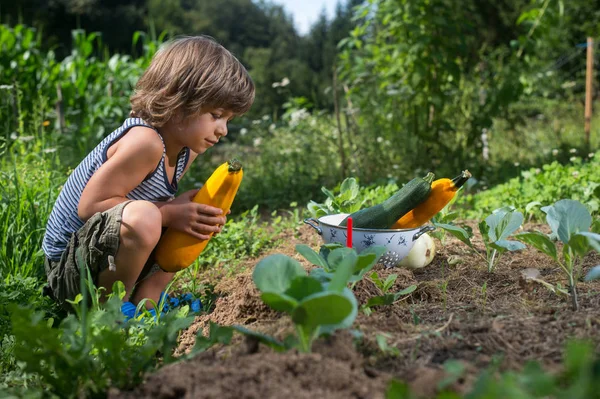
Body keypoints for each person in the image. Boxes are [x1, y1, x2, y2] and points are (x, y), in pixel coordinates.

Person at [42, 35, 255, 312]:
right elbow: (89, 207)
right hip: (70, 271)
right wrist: (167, 213)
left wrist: (185, 214)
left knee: (196, 211)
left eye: (228, 119)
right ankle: (110, 316)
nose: (223, 129)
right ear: (178, 101)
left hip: (105, 258)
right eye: (215, 115)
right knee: (147, 217)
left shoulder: (185, 149)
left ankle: (147, 302)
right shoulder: (145, 142)